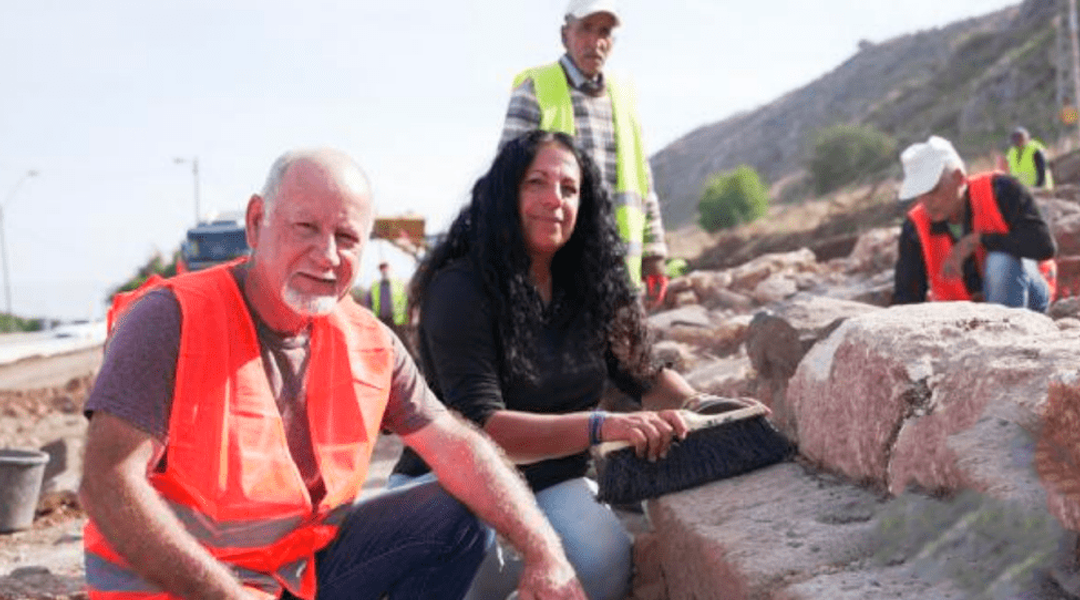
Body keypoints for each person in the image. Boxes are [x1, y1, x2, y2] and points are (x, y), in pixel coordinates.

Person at [79, 148, 588, 600]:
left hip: (290, 575)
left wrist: (546, 551)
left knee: (455, 515)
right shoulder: (171, 319)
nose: (327, 256)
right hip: (174, 585)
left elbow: (456, 443)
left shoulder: (367, 341)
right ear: (257, 222)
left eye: (346, 238)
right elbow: (107, 482)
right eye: (306, 228)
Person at [391, 131, 717, 600]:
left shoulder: (591, 283)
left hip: (549, 476)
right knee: (478, 561)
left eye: (569, 188)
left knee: (603, 559)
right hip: (455, 480)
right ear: (506, 193)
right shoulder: (459, 287)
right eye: (536, 183)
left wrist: (704, 403)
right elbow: (481, 427)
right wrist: (604, 426)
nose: (555, 200)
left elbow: (643, 372)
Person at [498, 0, 671, 307]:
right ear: (565, 35)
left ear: (612, 42)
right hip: (556, 267)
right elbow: (506, 180)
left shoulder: (624, 100)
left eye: (604, 31)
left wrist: (654, 252)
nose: (595, 41)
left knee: (618, 353)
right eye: (585, 29)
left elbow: (643, 184)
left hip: (619, 267)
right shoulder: (535, 90)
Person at [893, 135, 1057, 312]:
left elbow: (1044, 246)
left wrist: (978, 240)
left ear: (959, 177)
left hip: (1029, 297)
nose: (926, 202)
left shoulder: (1001, 189)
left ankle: (1004, 331)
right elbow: (907, 296)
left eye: (932, 190)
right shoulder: (915, 225)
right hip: (965, 316)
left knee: (1000, 261)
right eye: (919, 193)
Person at [366, 261, 409, 338]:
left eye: (385, 267)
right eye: (381, 268)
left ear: (390, 269)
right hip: (382, 320)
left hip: (398, 322)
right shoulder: (374, 286)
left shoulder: (400, 284)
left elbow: (408, 301)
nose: (384, 270)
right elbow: (367, 304)